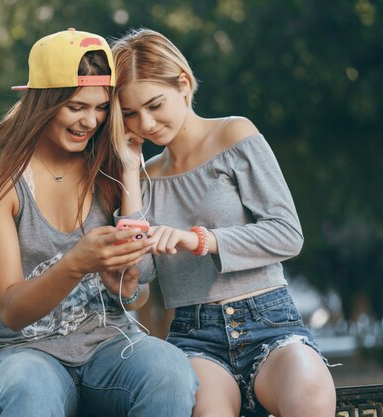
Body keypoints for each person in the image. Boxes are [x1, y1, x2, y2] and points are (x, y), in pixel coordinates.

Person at [0, 28, 197, 417]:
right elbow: (12, 310)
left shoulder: (107, 164)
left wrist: (129, 286)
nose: (90, 120)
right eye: (75, 106)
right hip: (26, 353)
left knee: (169, 369)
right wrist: (76, 264)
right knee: (29, 391)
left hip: (110, 344)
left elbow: (138, 297)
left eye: (101, 107)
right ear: (42, 102)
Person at [110, 28, 336, 417]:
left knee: (310, 393)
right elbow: (140, 274)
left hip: (271, 320)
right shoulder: (145, 178)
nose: (144, 123)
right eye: (129, 113)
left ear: (183, 83)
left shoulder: (235, 134)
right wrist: (130, 174)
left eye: (154, 104)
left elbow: (287, 234)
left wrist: (199, 240)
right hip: (196, 336)